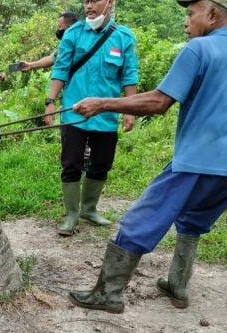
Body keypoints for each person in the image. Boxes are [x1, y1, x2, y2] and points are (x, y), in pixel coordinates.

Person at [67, 0, 227, 314]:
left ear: (211, 15)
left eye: (190, 13)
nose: (186, 21)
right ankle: (178, 286)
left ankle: (108, 294)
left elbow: (158, 102)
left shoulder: (198, 49)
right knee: (194, 221)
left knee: (140, 221)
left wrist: (101, 104)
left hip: (199, 160)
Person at [44, 0, 139, 236]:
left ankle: (89, 208)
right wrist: (50, 102)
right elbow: (61, 68)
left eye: (94, 1)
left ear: (109, 3)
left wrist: (130, 108)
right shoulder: (73, 33)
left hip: (106, 114)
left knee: (102, 162)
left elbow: (129, 74)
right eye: (85, 1)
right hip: (73, 113)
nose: (89, 6)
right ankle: (71, 214)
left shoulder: (123, 37)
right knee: (71, 162)